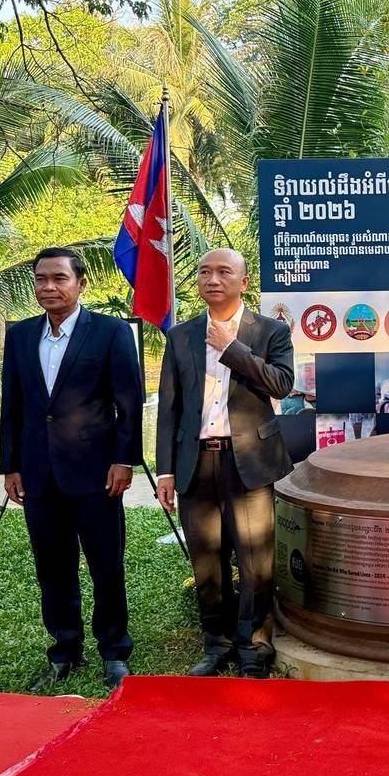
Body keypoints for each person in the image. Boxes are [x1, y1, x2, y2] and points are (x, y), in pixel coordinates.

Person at [0, 247, 144, 691]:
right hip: (38, 475)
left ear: (81, 284)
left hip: (97, 473)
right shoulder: (21, 336)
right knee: (52, 567)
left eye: (59, 278)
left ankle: (114, 650)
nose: (49, 287)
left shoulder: (110, 332)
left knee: (106, 566)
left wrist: (124, 459)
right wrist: (11, 465)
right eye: (41, 279)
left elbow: (129, 402)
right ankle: (64, 648)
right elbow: (13, 406)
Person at [156, 249, 294, 679]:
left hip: (249, 461)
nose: (212, 279)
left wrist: (232, 348)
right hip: (196, 462)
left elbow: (281, 384)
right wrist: (165, 470)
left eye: (223, 272)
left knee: (255, 560)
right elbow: (169, 410)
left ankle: (254, 645)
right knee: (206, 559)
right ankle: (216, 643)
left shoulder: (270, 330)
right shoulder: (181, 335)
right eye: (204, 272)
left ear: (243, 282)